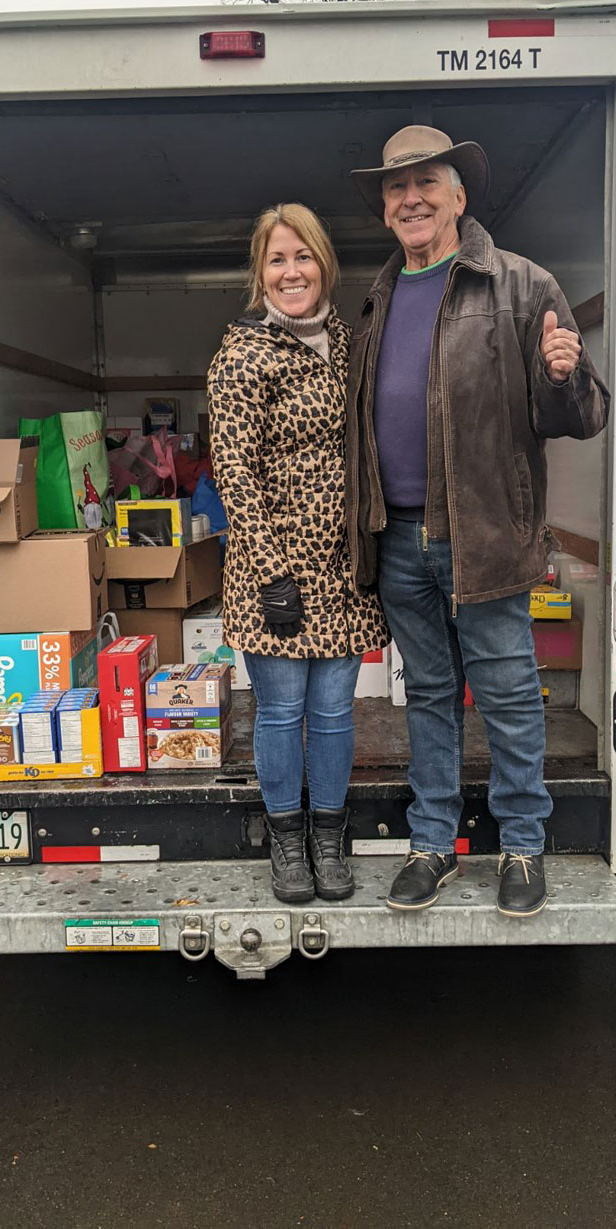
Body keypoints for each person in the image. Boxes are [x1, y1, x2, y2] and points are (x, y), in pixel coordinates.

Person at [345, 126, 609, 916]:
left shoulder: (522, 285)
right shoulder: (377, 298)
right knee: (428, 694)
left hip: (485, 533)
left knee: (508, 694)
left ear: (459, 195)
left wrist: (562, 376)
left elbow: (583, 412)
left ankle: (522, 846)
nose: (412, 198)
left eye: (427, 181)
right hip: (399, 536)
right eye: (397, 186)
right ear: (385, 208)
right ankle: (433, 843)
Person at [207, 203, 389, 904]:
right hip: (276, 570)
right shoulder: (243, 354)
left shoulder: (348, 343)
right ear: (260, 273)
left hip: (343, 569)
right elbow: (234, 471)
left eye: (303, 256)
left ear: (324, 264)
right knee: (282, 713)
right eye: (277, 259)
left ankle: (328, 839)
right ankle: (287, 843)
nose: (292, 272)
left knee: (335, 714)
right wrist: (271, 571)